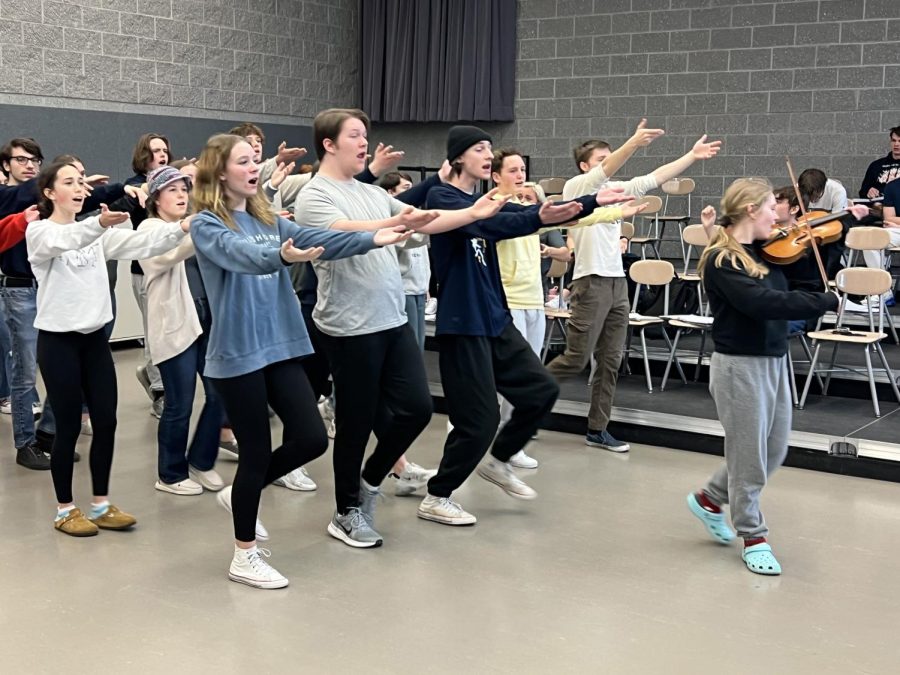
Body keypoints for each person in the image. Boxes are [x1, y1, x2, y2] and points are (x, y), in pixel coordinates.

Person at [190, 133, 413, 587]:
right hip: (238, 354)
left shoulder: (267, 216)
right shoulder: (206, 224)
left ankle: (240, 494)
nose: (255, 168)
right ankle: (244, 554)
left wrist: (375, 237)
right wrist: (280, 255)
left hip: (282, 345)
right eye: (244, 162)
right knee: (255, 452)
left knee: (312, 439)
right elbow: (243, 257)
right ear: (219, 172)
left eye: (256, 160)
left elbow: (317, 238)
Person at [295, 108, 509, 548]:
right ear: (328, 144)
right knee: (354, 424)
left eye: (365, 135)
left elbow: (423, 220)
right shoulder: (314, 195)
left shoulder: (372, 194)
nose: (364, 143)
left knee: (417, 408)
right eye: (355, 135)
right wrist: (397, 222)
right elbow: (341, 234)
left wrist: (473, 212)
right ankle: (346, 512)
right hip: (349, 327)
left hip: (391, 319)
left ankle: (371, 479)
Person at [419, 125, 633, 526]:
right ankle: (438, 495)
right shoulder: (445, 198)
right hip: (463, 324)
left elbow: (520, 217)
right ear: (459, 157)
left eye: (490, 147)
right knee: (478, 421)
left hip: (495, 319)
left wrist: (588, 203)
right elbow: (496, 223)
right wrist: (535, 214)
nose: (487, 153)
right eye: (479, 148)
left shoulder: (484, 200)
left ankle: (499, 461)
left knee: (541, 390)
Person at [26, 160, 192, 537]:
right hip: (58, 343)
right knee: (67, 426)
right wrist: (98, 224)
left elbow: (142, 242)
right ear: (50, 193)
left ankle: (100, 504)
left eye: (81, 181)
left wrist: (181, 228)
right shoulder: (39, 232)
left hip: (93, 341)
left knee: (107, 421)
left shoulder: (97, 233)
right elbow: (66, 240)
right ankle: (65, 509)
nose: (79, 187)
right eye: (69, 182)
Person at [686, 178, 838, 576]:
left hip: (773, 360)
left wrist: (824, 247)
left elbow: (804, 283)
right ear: (751, 210)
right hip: (739, 367)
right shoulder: (723, 260)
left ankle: (709, 498)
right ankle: (753, 536)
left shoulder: (769, 253)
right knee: (749, 459)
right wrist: (821, 301)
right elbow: (762, 303)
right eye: (772, 208)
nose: (780, 215)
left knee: (772, 451)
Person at [545, 125, 720, 453]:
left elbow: (653, 178)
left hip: (616, 284)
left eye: (609, 157)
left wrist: (691, 156)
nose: (610, 164)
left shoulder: (615, 190)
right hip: (590, 281)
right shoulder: (577, 187)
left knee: (610, 361)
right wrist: (634, 144)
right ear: (586, 166)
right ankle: (525, 402)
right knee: (575, 358)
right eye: (601, 159)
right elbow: (609, 168)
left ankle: (598, 428)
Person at [138, 166, 226, 496]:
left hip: (207, 321)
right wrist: (196, 232)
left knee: (221, 394)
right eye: (172, 190)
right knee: (180, 404)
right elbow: (162, 258)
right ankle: (170, 474)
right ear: (155, 198)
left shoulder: (192, 226)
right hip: (175, 326)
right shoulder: (150, 227)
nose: (181, 195)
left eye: (184, 190)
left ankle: (200, 462)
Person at [126, 133, 172, 417]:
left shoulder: (172, 183)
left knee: (168, 332)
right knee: (154, 332)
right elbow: (135, 200)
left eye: (165, 150)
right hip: (145, 271)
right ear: (144, 155)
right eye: (156, 151)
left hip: (172, 267)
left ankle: (153, 373)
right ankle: (159, 391)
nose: (162, 155)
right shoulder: (134, 187)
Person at [859, 125, 900, 199]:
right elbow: (862, 192)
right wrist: (869, 191)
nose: (896, 144)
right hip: (878, 206)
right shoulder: (876, 165)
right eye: (894, 140)